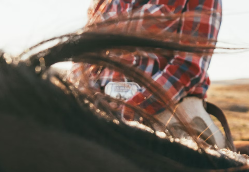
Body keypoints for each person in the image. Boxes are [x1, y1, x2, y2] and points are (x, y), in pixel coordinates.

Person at [77, 0, 227, 147]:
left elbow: (188, 66)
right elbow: (84, 59)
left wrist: (135, 108)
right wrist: (83, 103)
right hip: (101, 108)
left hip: (169, 110)